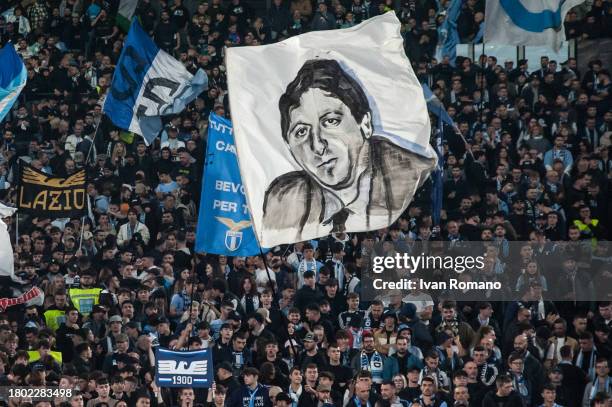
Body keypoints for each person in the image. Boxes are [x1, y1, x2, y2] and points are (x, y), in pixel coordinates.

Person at [263, 58, 435, 236]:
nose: (318, 146)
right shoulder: (282, 199)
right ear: (289, 147)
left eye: (330, 121)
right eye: (301, 132)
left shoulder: (413, 176)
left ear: (365, 124)